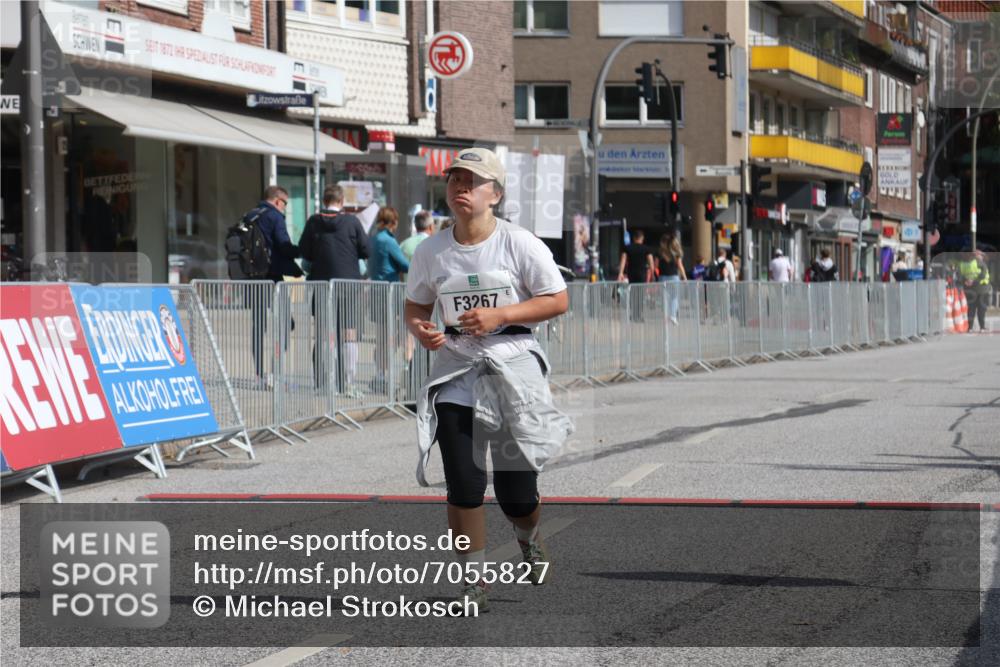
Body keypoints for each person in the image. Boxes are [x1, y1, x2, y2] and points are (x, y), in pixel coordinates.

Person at [403, 147, 573, 613]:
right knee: (464, 482)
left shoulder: (520, 244)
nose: (460, 186)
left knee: (516, 493)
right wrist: (422, 331)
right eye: (455, 178)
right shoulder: (432, 249)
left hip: (511, 369)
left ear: (494, 194)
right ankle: (472, 581)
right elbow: (416, 306)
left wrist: (502, 314)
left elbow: (556, 300)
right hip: (457, 372)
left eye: (472, 180)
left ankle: (528, 536)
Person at [299, 185, 370, 393]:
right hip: (349, 284)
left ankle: (320, 383)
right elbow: (367, 249)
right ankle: (346, 382)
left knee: (322, 333)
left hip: (321, 284)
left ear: (324, 200)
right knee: (348, 333)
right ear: (341, 202)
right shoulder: (352, 221)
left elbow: (304, 250)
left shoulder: (313, 221)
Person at [247, 185, 302, 383]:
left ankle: (259, 374)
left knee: (258, 325)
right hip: (272, 278)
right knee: (286, 323)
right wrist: (302, 251)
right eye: (285, 203)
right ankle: (275, 370)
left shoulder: (250, 215)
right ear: (278, 201)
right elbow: (284, 247)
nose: (285, 207)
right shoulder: (275, 217)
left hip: (251, 278)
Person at [366, 207, 410, 393]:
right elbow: (404, 264)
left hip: (377, 291)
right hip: (390, 292)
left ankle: (380, 375)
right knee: (398, 334)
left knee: (381, 336)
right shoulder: (388, 240)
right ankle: (402, 373)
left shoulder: (374, 238)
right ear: (393, 222)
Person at [657, 232, 687, 324]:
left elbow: (656, 265)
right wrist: (684, 277)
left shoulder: (660, 253)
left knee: (664, 298)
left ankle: (665, 317)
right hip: (673, 277)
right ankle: (673, 316)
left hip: (662, 277)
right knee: (674, 297)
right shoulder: (676, 253)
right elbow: (680, 266)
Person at [959, 250, 991, 333]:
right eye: (981, 255)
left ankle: (970, 328)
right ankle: (982, 328)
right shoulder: (980, 263)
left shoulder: (963, 264)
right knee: (981, 309)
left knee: (971, 309)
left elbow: (960, 276)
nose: (982, 257)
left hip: (969, 290)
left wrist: (966, 281)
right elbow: (983, 275)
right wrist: (973, 281)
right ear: (977, 255)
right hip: (982, 289)